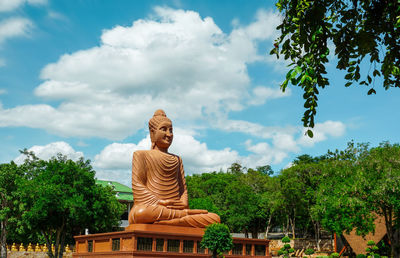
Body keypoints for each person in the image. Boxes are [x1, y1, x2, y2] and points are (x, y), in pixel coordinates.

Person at [128, 109, 220, 227]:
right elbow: (137, 185)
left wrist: (183, 202)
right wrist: (159, 201)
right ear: (152, 132)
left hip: (175, 209)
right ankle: (182, 217)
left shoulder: (177, 159)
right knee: (140, 213)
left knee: (214, 218)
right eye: (164, 129)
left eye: (171, 130)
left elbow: (183, 189)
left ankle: (170, 221)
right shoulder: (141, 155)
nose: (169, 134)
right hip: (154, 208)